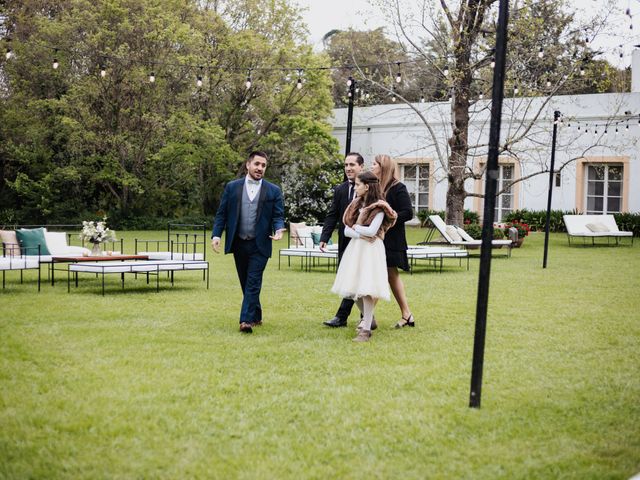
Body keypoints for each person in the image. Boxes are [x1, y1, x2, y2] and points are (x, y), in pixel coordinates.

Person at [211, 151, 286, 334]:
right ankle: (257, 314)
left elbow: (278, 216)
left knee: (253, 281)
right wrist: (216, 235)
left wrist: (278, 230)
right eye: (257, 164)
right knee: (246, 282)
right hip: (239, 242)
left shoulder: (273, 190)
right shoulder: (232, 187)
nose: (260, 168)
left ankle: (245, 320)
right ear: (248, 165)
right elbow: (222, 213)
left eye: (263, 165)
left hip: (260, 244)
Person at [331, 171, 397, 342]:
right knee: (354, 288)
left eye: (358, 184)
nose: (355, 187)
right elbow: (346, 229)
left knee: (366, 288)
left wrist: (355, 230)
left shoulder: (379, 208)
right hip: (357, 248)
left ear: (367, 186)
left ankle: (366, 329)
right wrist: (358, 232)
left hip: (371, 250)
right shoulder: (356, 205)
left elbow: (372, 231)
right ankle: (369, 318)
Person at [319, 152, 367, 328]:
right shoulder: (340, 190)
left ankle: (347, 316)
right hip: (345, 242)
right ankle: (365, 316)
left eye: (352, 165)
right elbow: (333, 215)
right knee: (349, 278)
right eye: (346, 165)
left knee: (359, 278)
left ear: (361, 166)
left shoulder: (370, 189)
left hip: (364, 242)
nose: (348, 168)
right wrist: (325, 237)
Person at [371, 154, 415, 328]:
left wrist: (390, 217)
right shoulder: (376, 187)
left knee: (382, 276)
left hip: (392, 240)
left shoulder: (398, 188)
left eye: (374, 164)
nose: (371, 166)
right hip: (378, 238)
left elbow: (408, 212)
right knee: (390, 276)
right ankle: (407, 314)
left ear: (383, 167)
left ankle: (366, 318)